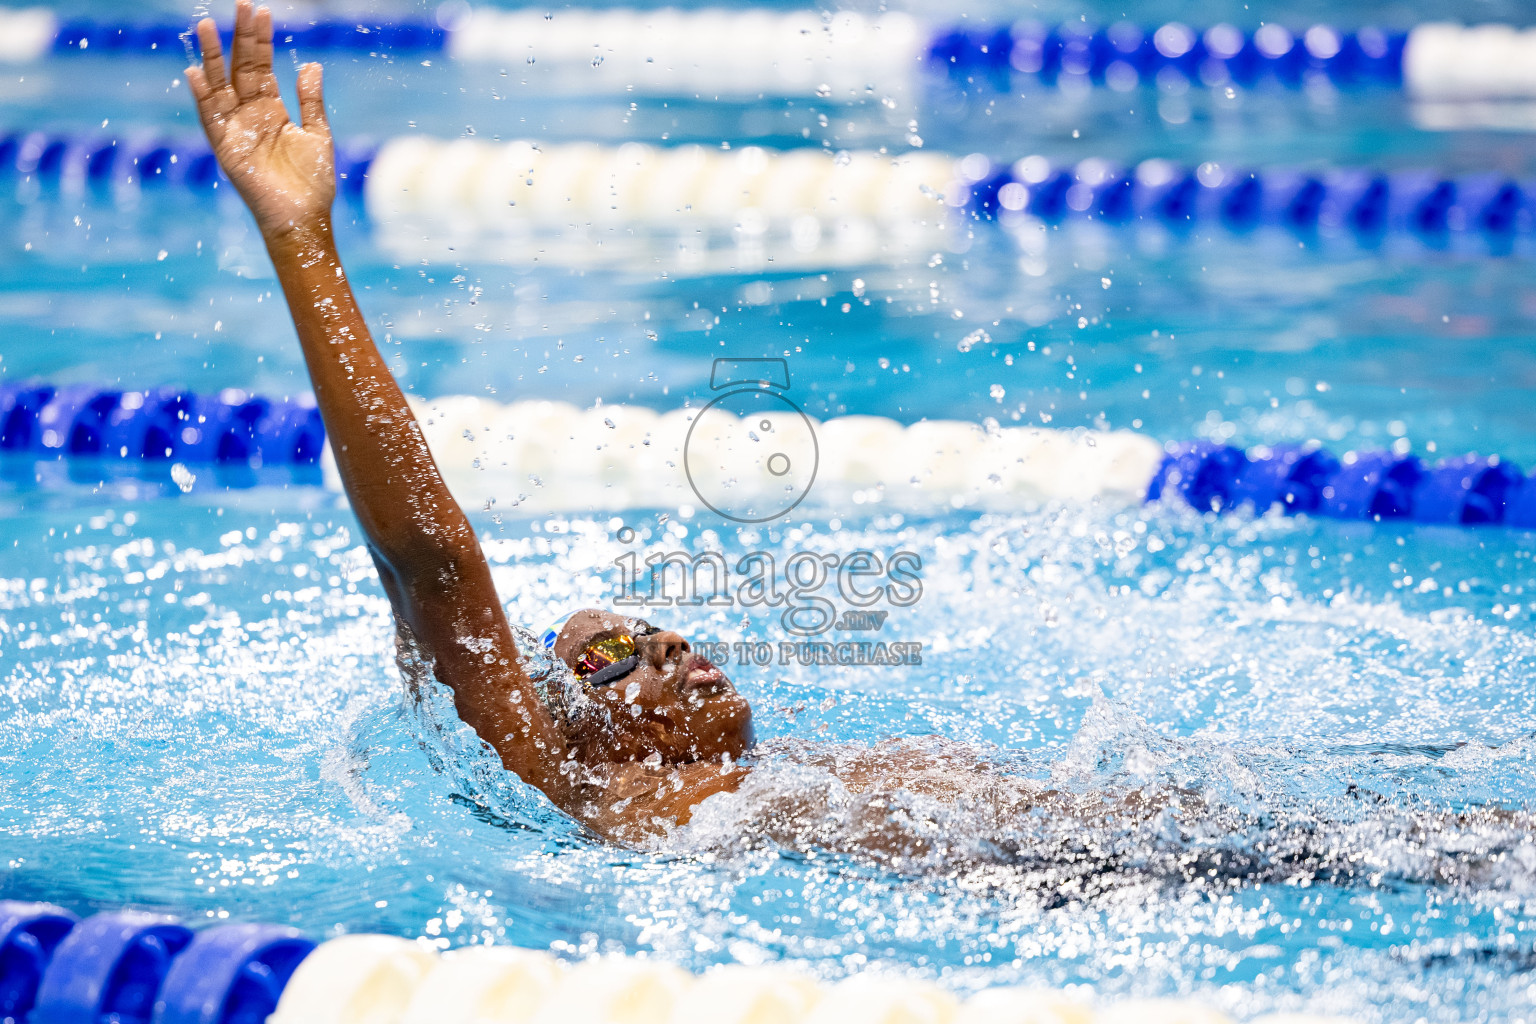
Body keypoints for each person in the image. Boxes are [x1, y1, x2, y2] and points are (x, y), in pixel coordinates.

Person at [188, 2, 756, 842]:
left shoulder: (791, 775)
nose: (667, 641)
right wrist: (302, 241)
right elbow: (432, 566)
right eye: (611, 657)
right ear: (577, 736)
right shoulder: (601, 795)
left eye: (644, 631)